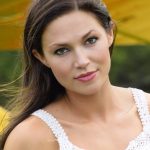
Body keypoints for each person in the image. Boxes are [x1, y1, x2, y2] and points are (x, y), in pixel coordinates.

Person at [1, 0, 150, 149]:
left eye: (90, 40)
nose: (81, 61)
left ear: (109, 33)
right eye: (62, 50)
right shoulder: (30, 138)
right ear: (41, 57)